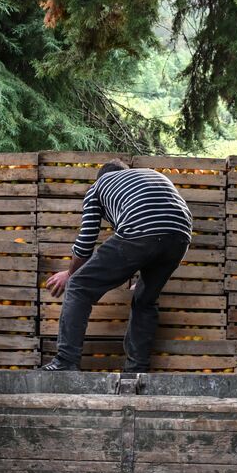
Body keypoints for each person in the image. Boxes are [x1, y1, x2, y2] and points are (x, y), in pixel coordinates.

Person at [40, 159, 193, 373]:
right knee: (145, 300)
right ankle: (136, 370)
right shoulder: (147, 176)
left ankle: (65, 361)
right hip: (181, 235)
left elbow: (86, 241)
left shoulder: (99, 186)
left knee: (78, 287)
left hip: (142, 230)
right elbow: (157, 230)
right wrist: (139, 278)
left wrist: (70, 273)